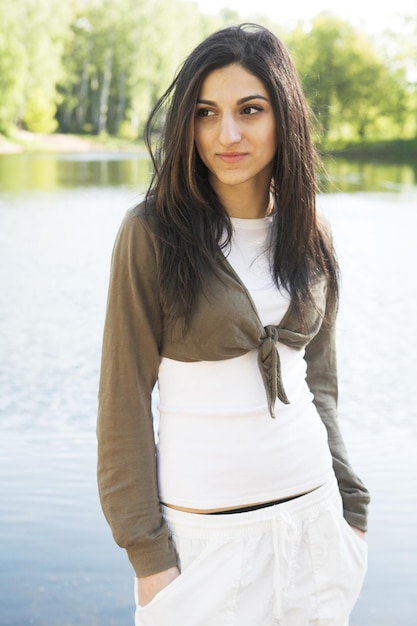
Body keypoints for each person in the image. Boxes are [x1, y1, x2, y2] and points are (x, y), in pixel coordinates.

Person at [97, 23, 370, 626]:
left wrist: (353, 509)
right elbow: (122, 402)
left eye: (250, 110)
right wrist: (149, 558)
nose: (227, 134)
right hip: (202, 550)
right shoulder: (151, 235)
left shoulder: (312, 232)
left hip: (316, 530)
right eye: (205, 112)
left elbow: (319, 384)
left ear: (284, 117)